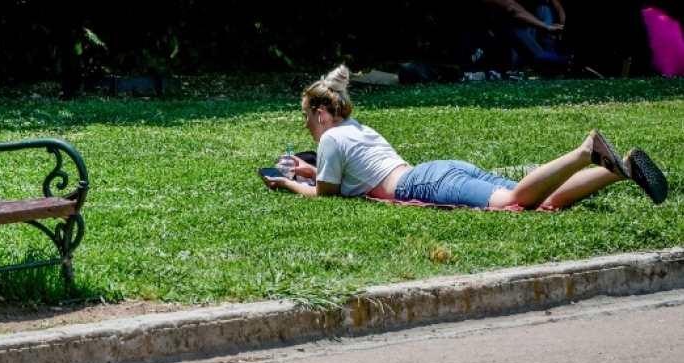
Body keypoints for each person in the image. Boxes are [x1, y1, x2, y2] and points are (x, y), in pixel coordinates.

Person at [259, 65, 668, 208]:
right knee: (541, 197)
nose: (307, 129)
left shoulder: (330, 138)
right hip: (437, 170)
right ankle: (622, 167)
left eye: (307, 120)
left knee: (515, 201)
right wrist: (309, 172)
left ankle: (584, 152)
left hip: (421, 182)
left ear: (319, 113)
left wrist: (289, 184)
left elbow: (330, 194)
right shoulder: (355, 130)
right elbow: (349, 176)